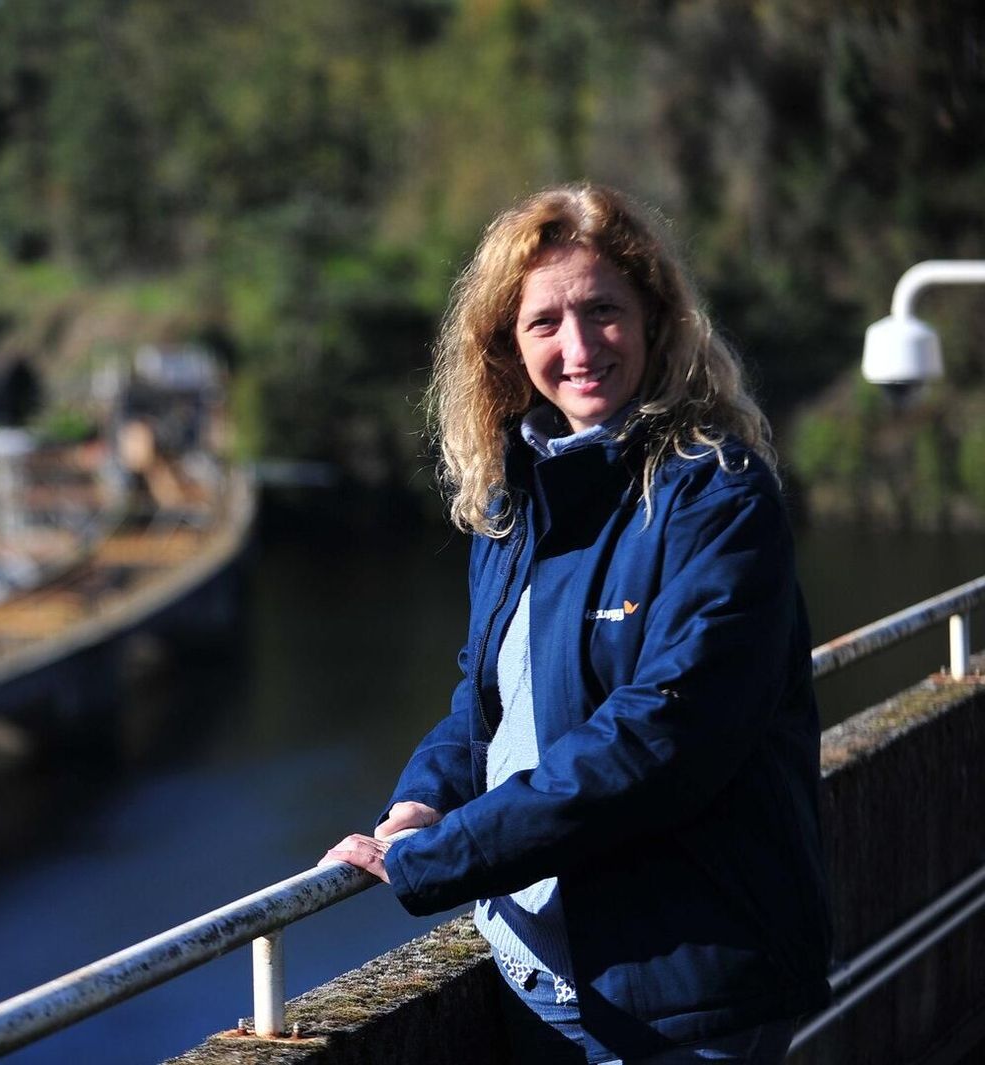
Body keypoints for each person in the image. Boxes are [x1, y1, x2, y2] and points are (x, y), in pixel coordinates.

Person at [323, 184, 831, 1064]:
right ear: (509, 349)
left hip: (683, 999)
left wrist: (446, 856)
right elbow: (487, 698)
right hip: (543, 974)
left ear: (655, 322)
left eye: (604, 311)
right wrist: (422, 799)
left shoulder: (717, 496)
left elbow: (661, 737)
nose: (580, 345)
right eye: (545, 322)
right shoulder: (517, 500)